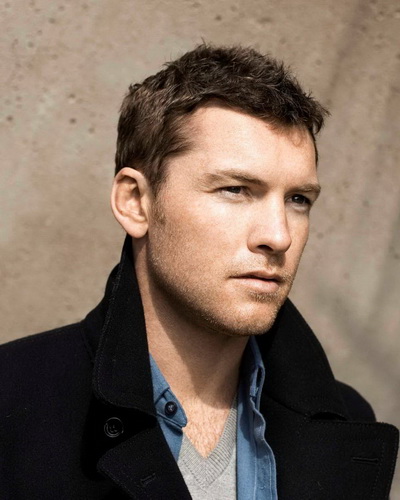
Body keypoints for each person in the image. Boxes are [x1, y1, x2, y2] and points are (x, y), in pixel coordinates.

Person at [0, 44, 398, 500]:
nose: (279, 236)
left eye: (298, 199)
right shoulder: (12, 403)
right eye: (236, 189)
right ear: (135, 202)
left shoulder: (346, 421)